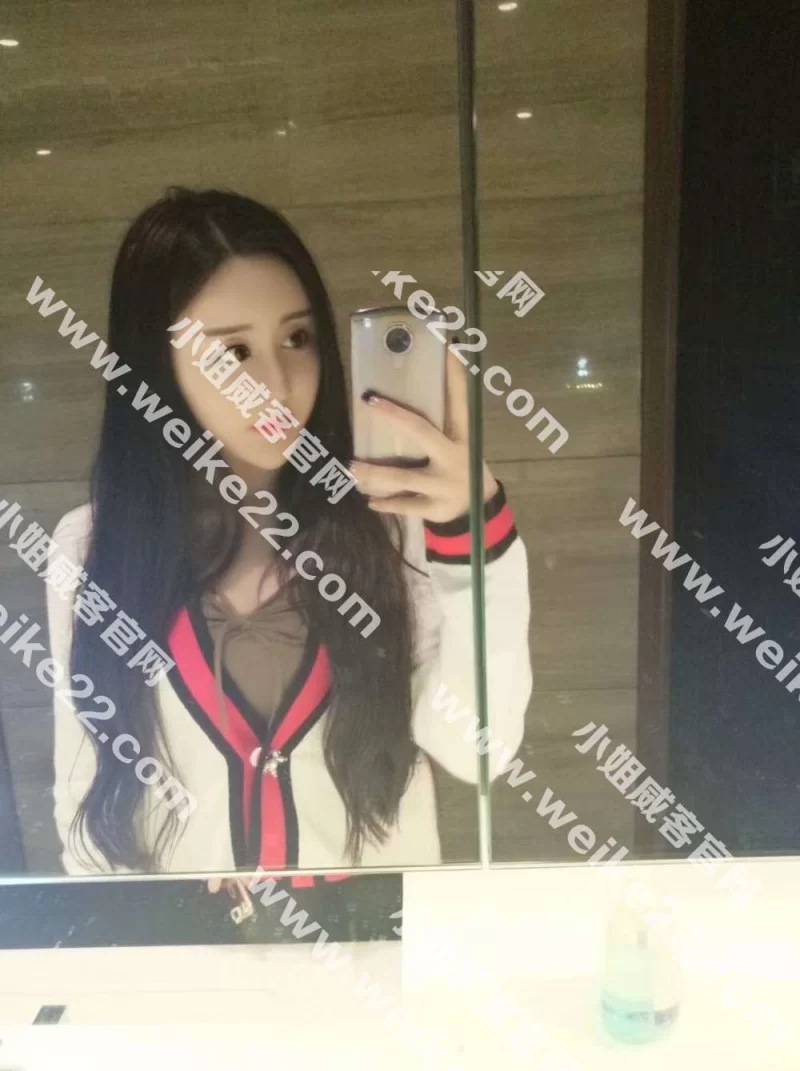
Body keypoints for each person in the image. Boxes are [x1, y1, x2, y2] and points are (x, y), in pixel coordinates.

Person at [48, 187, 532, 875]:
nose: (275, 383)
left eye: (297, 338)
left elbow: (475, 750)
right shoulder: (91, 549)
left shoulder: (392, 523)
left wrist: (476, 533)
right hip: (190, 940)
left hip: (376, 934)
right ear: (157, 363)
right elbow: (87, 799)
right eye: (232, 352)